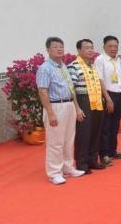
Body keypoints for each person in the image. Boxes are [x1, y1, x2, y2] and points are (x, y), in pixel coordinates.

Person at [36, 37, 86, 184]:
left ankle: (68, 167)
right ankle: (54, 173)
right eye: (55, 47)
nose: (59, 49)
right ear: (48, 49)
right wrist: (50, 113)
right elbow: (43, 92)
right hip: (55, 106)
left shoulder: (63, 66)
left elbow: (71, 89)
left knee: (68, 139)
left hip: (69, 105)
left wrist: (76, 107)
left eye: (61, 47)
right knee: (55, 141)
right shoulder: (45, 68)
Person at [68, 39, 112, 174]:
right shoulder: (73, 66)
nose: (90, 50)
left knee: (95, 132)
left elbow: (100, 84)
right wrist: (77, 108)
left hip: (97, 101)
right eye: (86, 48)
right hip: (83, 101)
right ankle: (82, 164)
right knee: (83, 133)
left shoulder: (92, 66)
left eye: (91, 48)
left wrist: (105, 99)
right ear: (79, 51)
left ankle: (93, 160)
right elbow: (71, 89)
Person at [94, 35, 121, 165]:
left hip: (119, 95)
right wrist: (107, 99)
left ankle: (112, 150)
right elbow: (100, 80)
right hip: (107, 95)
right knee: (106, 127)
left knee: (115, 125)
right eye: (110, 46)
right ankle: (104, 154)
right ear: (104, 47)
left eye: (115, 46)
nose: (113, 49)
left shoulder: (119, 60)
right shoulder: (100, 60)